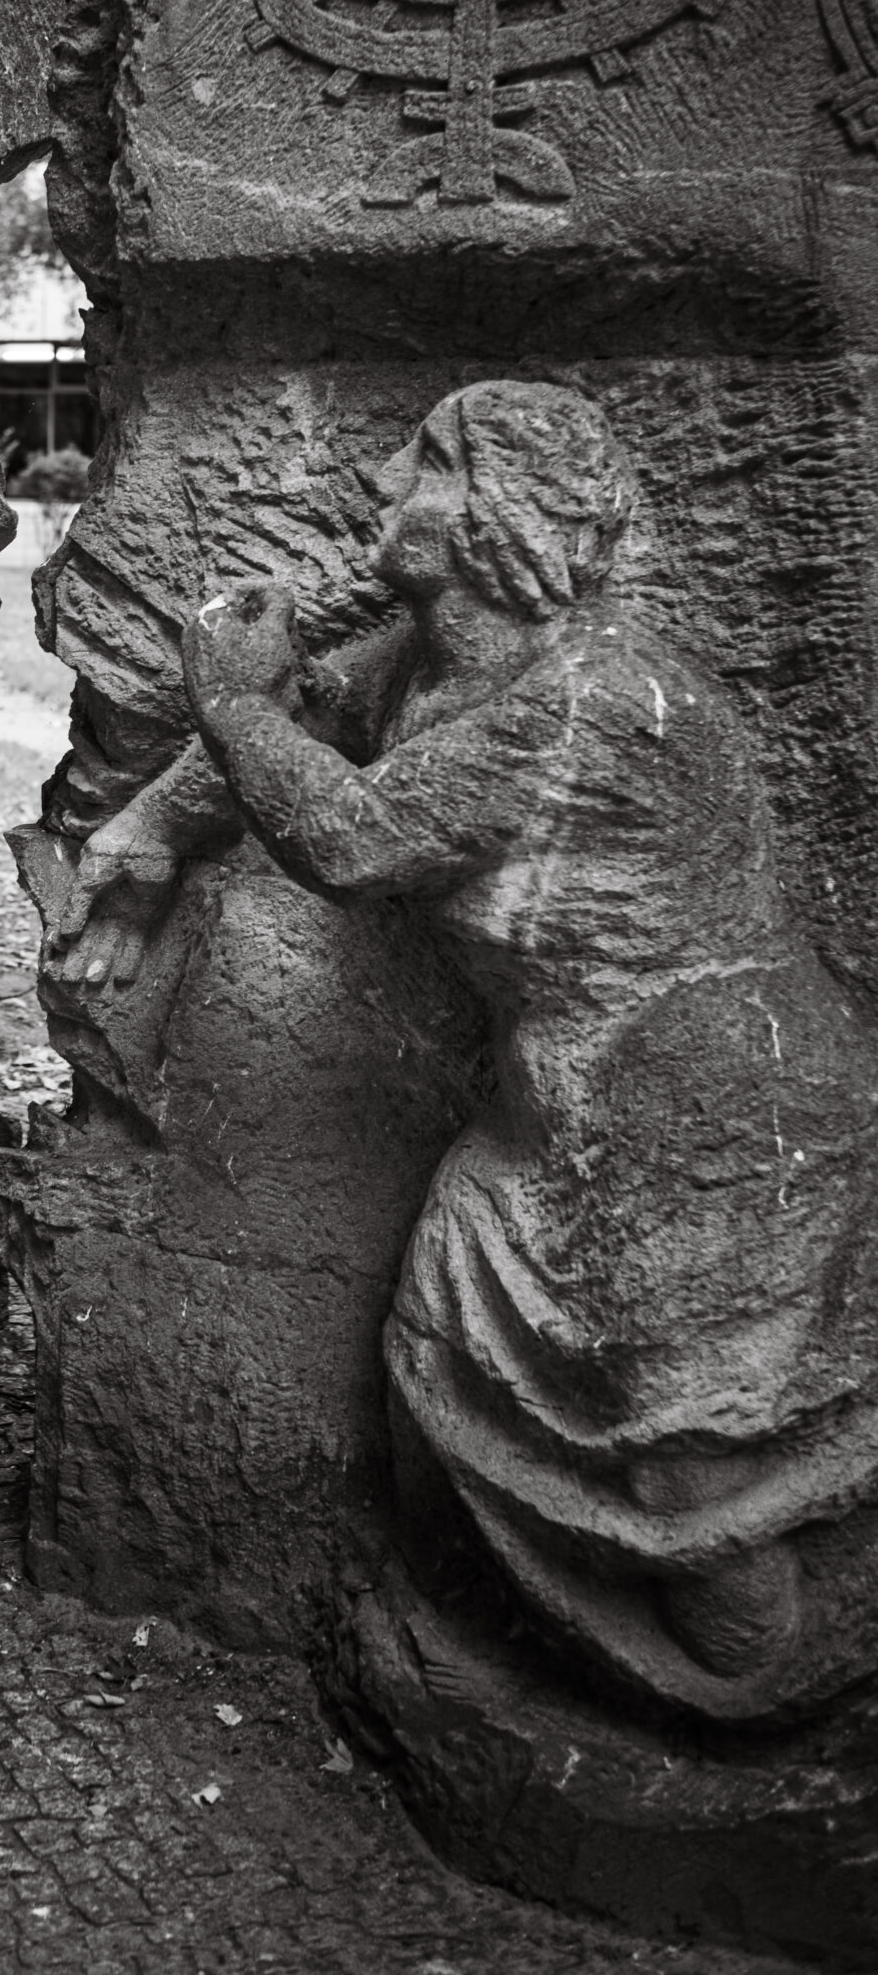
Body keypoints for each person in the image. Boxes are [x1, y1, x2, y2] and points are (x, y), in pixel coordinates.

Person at [55, 380, 878, 1714]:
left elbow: (349, 835)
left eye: (428, 461)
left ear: (505, 516)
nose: (383, 481)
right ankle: (516, 1647)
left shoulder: (592, 700)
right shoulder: (439, 655)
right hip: (564, 1110)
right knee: (438, 1336)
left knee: (687, 1471)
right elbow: (311, 729)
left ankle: (751, 1688)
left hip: (712, 1116)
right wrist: (151, 825)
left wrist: (227, 697)